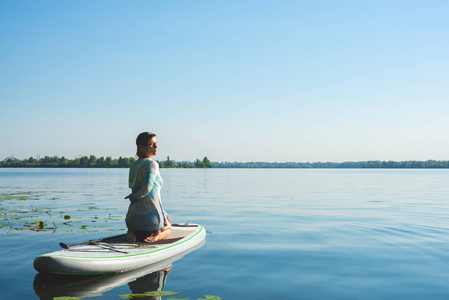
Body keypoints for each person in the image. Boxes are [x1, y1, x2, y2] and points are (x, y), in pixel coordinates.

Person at [125, 132, 171, 243]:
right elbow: (147, 188)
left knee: (165, 217)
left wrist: (133, 198)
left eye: (156, 143)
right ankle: (157, 235)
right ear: (141, 147)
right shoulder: (152, 164)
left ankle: (131, 233)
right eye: (152, 144)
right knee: (169, 227)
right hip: (151, 220)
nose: (156, 146)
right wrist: (134, 197)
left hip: (133, 219)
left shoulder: (133, 165)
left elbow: (132, 185)